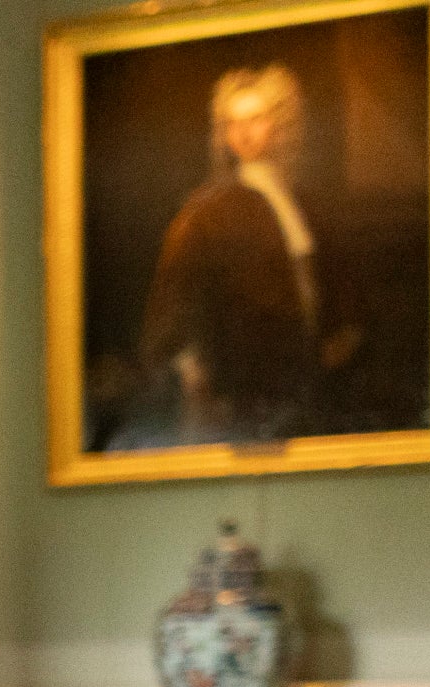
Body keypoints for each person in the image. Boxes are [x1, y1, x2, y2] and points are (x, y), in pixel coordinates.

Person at [139, 63, 357, 443]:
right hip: (245, 385)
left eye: (256, 119)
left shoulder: (301, 203)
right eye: (233, 122)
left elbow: (328, 290)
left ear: (279, 125)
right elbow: (175, 308)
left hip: (308, 377)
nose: (244, 132)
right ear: (222, 133)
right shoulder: (205, 211)